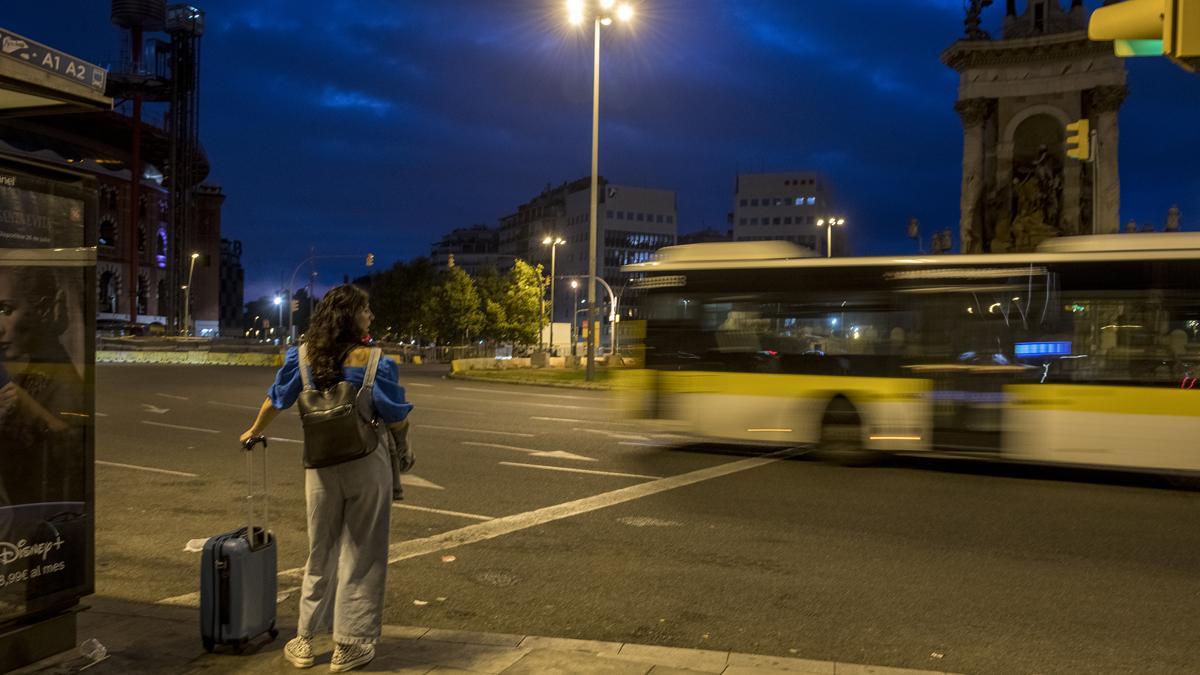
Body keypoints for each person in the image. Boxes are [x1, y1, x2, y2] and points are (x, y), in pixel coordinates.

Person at [240, 285, 412, 672]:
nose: (370, 315)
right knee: (363, 553)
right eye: (366, 309)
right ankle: (349, 646)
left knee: (321, 550)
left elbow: (276, 400)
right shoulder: (376, 362)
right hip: (367, 464)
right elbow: (397, 416)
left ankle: (304, 639)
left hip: (319, 466)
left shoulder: (301, 357)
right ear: (352, 316)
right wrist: (404, 448)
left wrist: (252, 431)